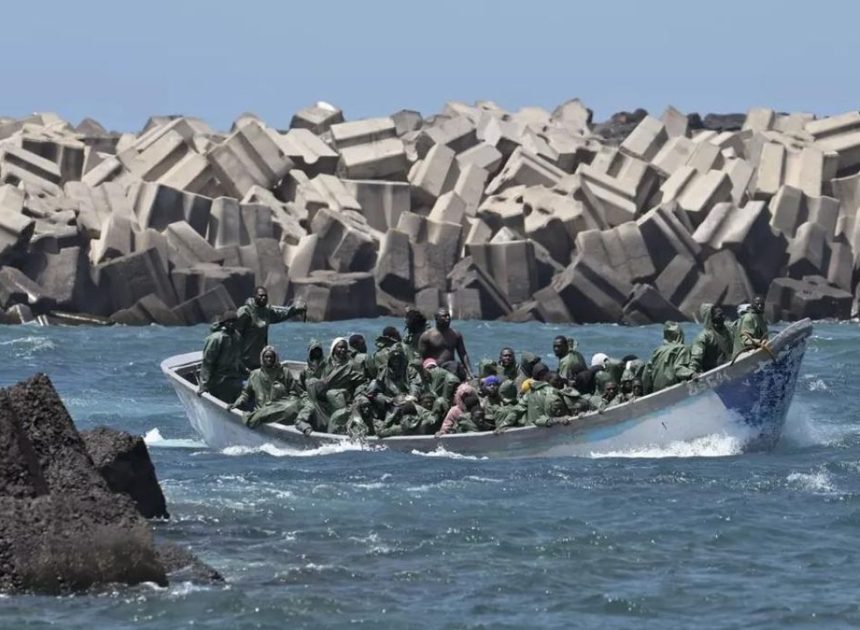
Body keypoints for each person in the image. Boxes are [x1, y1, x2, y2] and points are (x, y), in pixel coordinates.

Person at [229, 346, 310, 433]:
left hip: (280, 410)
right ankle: (259, 417)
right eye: (266, 357)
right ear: (262, 358)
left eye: (271, 357)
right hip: (263, 411)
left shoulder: (284, 372)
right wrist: (236, 403)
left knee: (295, 404)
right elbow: (245, 394)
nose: (269, 359)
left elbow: (295, 391)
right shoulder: (255, 374)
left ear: (275, 358)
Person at [236, 287, 306, 370]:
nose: (264, 298)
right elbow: (235, 333)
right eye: (261, 296)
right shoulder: (245, 311)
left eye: (265, 296)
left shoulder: (267, 312)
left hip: (260, 357)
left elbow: (281, 314)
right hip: (245, 358)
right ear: (255, 296)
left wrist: (295, 310)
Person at [198, 310, 245, 403]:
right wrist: (203, 386)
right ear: (224, 323)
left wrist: (245, 370)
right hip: (218, 380)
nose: (231, 324)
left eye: (234, 322)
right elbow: (207, 363)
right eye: (229, 321)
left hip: (233, 377)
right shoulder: (216, 339)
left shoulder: (237, 337)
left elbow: (237, 358)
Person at [419, 308, 473, 378]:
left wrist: (470, 372)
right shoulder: (427, 336)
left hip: (452, 368)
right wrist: (423, 374)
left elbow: (463, 354)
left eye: (448, 316)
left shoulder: (456, 334)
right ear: (436, 318)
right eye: (444, 316)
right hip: (435, 369)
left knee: (456, 367)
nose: (447, 318)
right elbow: (421, 357)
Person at [643, 321, 695, 393]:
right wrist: (692, 374)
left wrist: (645, 392)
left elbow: (647, 373)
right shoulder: (682, 348)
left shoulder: (657, 350)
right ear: (680, 334)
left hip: (656, 390)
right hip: (672, 390)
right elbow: (679, 369)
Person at [691, 304, 733, 373]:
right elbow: (696, 357)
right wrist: (692, 373)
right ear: (711, 317)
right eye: (719, 315)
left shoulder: (728, 328)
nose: (723, 317)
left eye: (723, 314)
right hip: (717, 372)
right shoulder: (704, 337)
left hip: (733, 365)